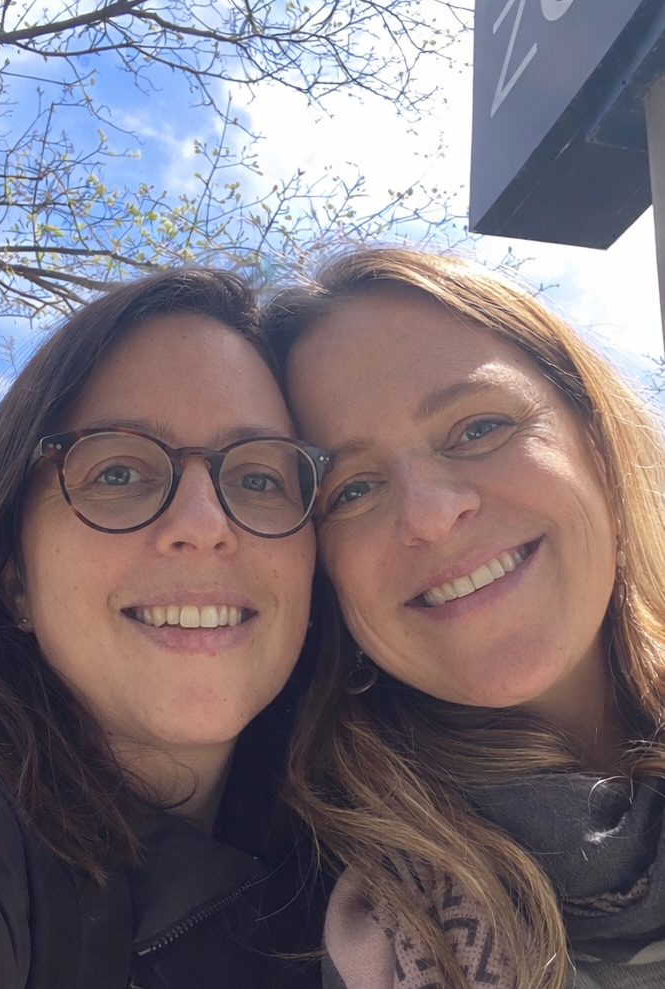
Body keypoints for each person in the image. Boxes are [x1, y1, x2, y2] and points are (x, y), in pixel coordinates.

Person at [0, 266, 332, 989]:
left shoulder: (397, 856)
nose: (205, 525)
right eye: (117, 471)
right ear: (13, 575)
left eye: (259, 478)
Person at [267, 247, 665, 989]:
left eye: (478, 428)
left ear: (596, 439)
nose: (430, 514)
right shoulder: (318, 921)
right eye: (352, 489)